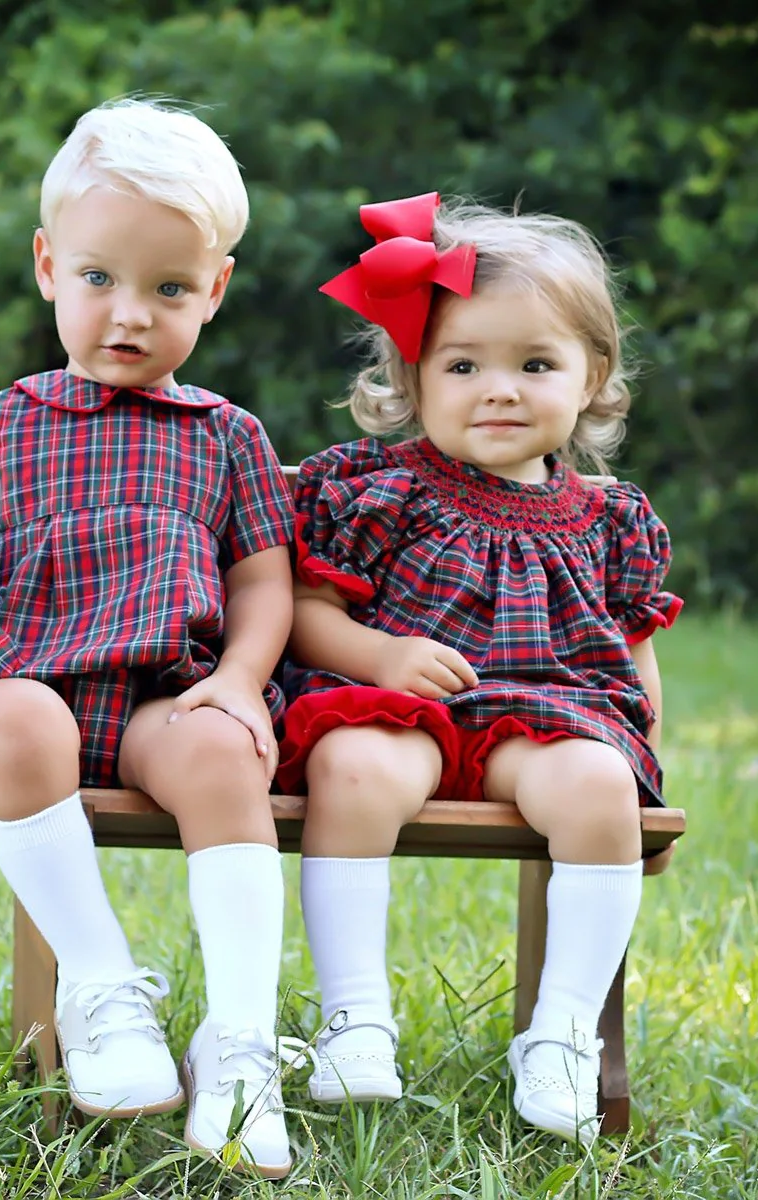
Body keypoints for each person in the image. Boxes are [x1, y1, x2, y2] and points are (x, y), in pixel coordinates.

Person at [0, 99, 301, 1179]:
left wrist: (241, 680)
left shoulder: (226, 436)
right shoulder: (0, 421)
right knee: (15, 715)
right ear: (47, 267)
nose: (129, 314)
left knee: (223, 749)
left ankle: (240, 1043)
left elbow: (263, 581)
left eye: (169, 289)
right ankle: (102, 985)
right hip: (26, 706)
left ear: (215, 290)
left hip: (161, 699)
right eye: (99, 278)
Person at [276, 192, 682, 1145]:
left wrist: (643, 784)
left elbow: (633, 662)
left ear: (591, 377)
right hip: (399, 711)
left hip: (548, 723)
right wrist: (382, 655)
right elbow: (304, 613)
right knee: (354, 765)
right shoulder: (381, 490)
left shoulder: (612, 519)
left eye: (535, 364)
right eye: (463, 365)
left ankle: (563, 1035)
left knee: (596, 780)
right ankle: (354, 1016)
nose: (499, 390)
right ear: (414, 377)